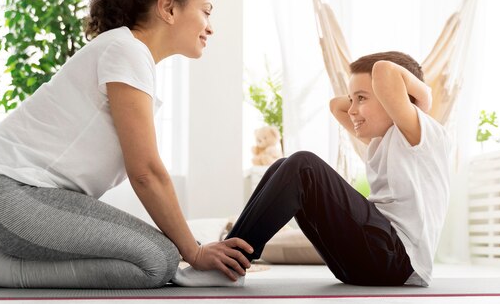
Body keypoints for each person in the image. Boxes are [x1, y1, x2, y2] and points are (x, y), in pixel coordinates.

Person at [0, 0, 252, 290]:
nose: (210, 27)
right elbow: (145, 172)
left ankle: (6, 264)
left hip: (16, 194)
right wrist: (194, 252)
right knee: (159, 261)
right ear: (168, 8)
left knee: (161, 258)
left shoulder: (127, 51)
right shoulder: (126, 50)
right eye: (207, 11)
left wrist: (189, 251)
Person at [186, 51, 450, 287]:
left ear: (400, 98)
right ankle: (229, 257)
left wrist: (422, 97)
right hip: (368, 262)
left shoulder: (421, 133)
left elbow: (383, 70)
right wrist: (360, 95)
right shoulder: (382, 141)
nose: (353, 109)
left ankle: (228, 266)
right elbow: (336, 105)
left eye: (361, 98)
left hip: (397, 258)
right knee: (284, 165)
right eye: (353, 99)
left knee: (304, 166)